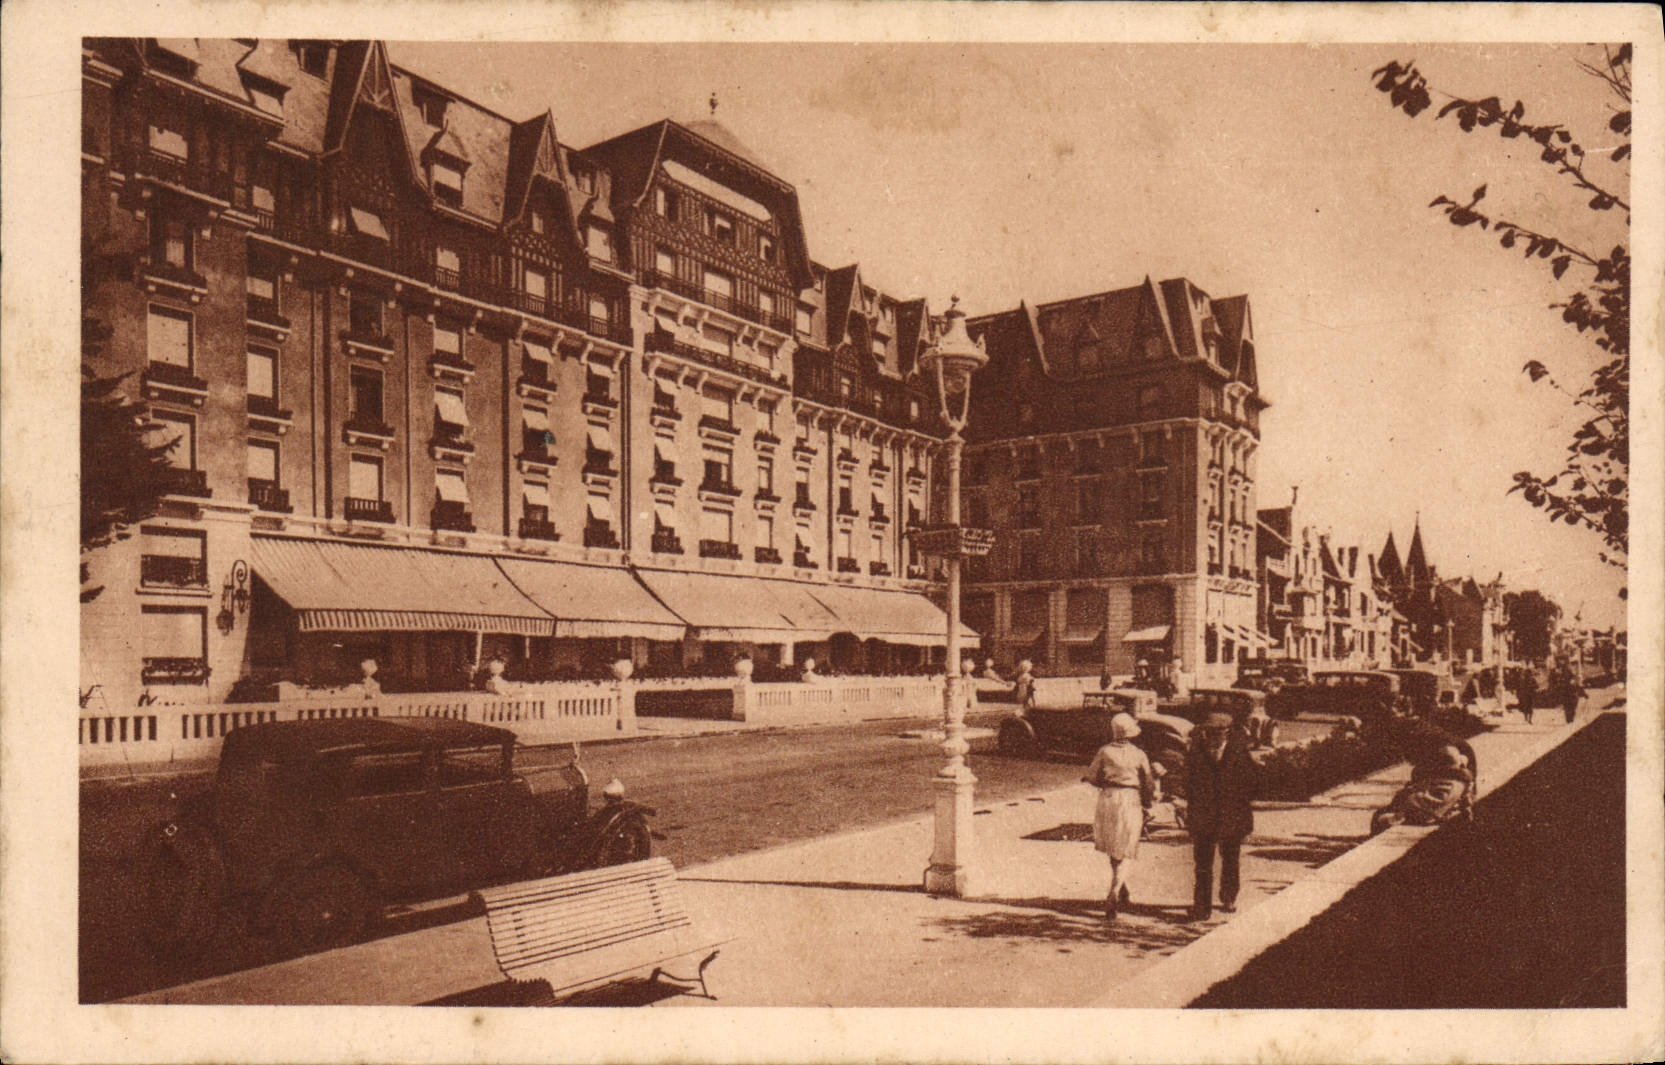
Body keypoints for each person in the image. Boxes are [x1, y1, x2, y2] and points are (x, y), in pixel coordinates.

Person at [1082, 713, 1155, 920]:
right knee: (1127, 845)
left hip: (1108, 798)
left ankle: (1121, 888)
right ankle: (1114, 891)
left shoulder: (1104, 751)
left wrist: (1104, 782)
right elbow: (1148, 782)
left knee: (1115, 846)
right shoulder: (1139, 754)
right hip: (1130, 798)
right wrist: (1148, 801)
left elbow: (1092, 776)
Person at [1185, 710, 1256, 921]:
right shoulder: (1196, 752)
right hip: (1204, 817)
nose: (1214, 738)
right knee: (1203, 865)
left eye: (1219, 733)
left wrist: (1237, 801)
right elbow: (1188, 782)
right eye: (1209, 733)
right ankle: (1202, 907)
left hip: (1232, 816)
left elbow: (1252, 783)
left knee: (1231, 860)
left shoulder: (1239, 752)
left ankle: (1228, 898)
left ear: (1227, 733)